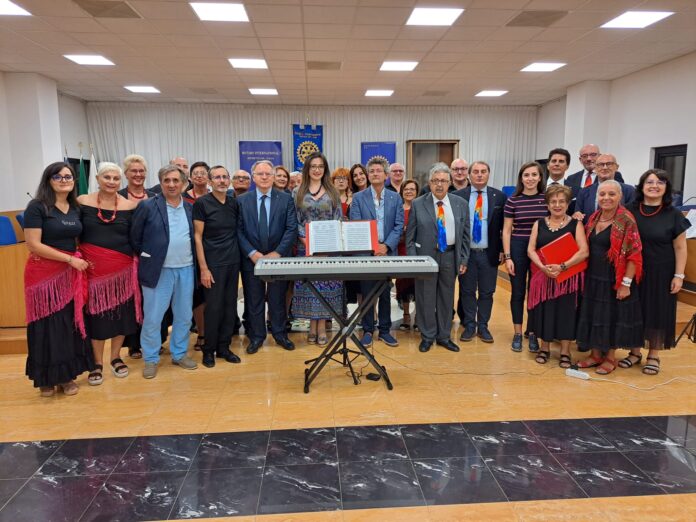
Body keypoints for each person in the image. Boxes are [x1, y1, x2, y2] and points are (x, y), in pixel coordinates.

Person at [23, 162, 93, 397]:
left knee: (65, 325)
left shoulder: (75, 208)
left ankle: (65, 376)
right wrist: (69, 259)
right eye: (58, 176)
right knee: (45, 326)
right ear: (48, 180)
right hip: (43, 276)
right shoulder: (37, 207)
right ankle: (45, 378)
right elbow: (33, 244)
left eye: (68, 176)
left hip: (68, 274)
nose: (64, 180)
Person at [131, 165, 199, 378]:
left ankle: (179, 354)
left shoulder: (190, 207)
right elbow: (135, 238)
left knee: (184, 316)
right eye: (167, 180)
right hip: (158, 271)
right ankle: (150, 359)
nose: (171, 184)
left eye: (175, 180)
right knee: (153, 317)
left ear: (184, 183)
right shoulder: (147, 206)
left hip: (186, 269)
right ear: (160, 183)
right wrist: (152, 257)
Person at [77, 162, 140, 386]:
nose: (112, 182)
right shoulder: (82, 201)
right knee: (97, 316)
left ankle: (115, 357)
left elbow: (135, 235)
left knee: (121, 314)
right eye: (107, 177)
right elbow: (75, 233)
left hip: (122, 270)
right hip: (93, 269)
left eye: (115, 178)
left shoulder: (130, 206)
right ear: (97, 179)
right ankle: (97, 363)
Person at [622, 169, 690, 375]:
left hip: (662, 272)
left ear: (666, 188)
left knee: (657, 312)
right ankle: (634, 352)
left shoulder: (674, 214)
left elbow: (681, 247)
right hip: (633, 270)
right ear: (642, 186)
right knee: (634, 310)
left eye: (660, 182)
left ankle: (653, 355)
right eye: (650, 182)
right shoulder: (629, 210)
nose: (654, 186)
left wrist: (679, 275)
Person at [576, 180, 643, 375]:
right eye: (602, 194)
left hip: (614, 278)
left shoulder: (626, 220)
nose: (606, 198)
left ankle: (610, 358)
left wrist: (626, 284)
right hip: (592, 276)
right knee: (593, 314)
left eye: (611, 194)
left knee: (612, 317)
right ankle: (595, 355)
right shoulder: (594, 217)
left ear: (620, 196)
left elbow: (634, 255)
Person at [407, 162, 470, 353]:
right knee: (425, 297)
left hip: (450, 256)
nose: (439, 184)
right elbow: (410, 237)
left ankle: (444, 336)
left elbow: (465, 235)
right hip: (425, 258)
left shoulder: (461, 204)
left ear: (450, 182)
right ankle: (427, 335)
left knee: (446, 297)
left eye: (443, 180)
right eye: (435, 181)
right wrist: (414, 261)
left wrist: (463, 259)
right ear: (429, 183)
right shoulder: (418, 204)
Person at [238, 160, 297, 354]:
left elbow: (291, 228)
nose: (264, 177)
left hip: (278, 258)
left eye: (268, 174)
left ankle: (280, 334)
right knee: (253, 299)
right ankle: (256, 337)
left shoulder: (286, 199)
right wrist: (252, 253)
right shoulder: (241, 200)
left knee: (277, 298)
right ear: (253, 177)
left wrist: (277, 253)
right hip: (251, 259)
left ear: (273, 177)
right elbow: (238, 230)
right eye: (260, 174)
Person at [526, 185, 588, 368]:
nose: (557, 205)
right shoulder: (539, 223)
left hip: (567, 279)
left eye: (562, 201)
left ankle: (565, 351)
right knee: (545, 311)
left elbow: (584, 251)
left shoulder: (576, 224)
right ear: (547, 204)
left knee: (566, 313)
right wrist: (542, 267)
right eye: (553, 201)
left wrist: (562, 267)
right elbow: (530, 249)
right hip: (543, 276)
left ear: (568, 204)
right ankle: (544, 348)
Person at [350, 158, 404, 347]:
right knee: (367, 293)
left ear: (386, 175)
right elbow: (356, 225)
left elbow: (398, 225)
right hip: (366, 253)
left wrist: (386, 246)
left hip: (387, 253)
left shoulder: (395, 198)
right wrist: (374, 246)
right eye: (371, 171)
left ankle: (384, 330)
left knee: (385, 292)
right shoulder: (358, 198)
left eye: (378, 171)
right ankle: (367, 330)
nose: (374, 174)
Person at [193, 165, 242, 368]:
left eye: (224, 177)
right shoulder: (202, 203)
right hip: (212, 264)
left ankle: (224, 348)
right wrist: (203, 268)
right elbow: (197, 237)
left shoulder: (233, 203)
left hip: (233, 262)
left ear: (229, 180)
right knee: (213, 308)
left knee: (230, 307)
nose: (221, 180)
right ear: (210, 181)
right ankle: (209, 350)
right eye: (217, 177)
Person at [453, 161, 507, 343]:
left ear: (488, 174)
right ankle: (469, 325)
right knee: (467, 291)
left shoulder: (499, 197)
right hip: (466, 254)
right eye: (475, 171)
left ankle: (483, 326)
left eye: (483, 171)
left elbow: (504, 227)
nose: (479, 175)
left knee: (487, 292)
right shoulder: (457, 196)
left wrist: (502, 249)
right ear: (469, 175)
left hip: (488, 253)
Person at [293, 153, 343, 345]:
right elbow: (295, 220)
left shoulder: (333, 192)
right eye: (313, 166)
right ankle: (311, 326)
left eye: (320, 166)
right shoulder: (297, 191)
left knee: (325, 288)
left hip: (328, 249)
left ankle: (321, 327)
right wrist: (305, 240)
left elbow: (338, 219)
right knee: (311, 287)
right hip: (305, 248)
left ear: (325, 169)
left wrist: (326, 245)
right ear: (307, 169)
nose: (316, 169)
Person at [502, 161, 548, 353]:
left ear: (540, 177)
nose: (530, 178)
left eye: (534, 175)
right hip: (518, 247)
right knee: (518, 292)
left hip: (541, 249)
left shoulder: (547, 199)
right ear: (521, 178)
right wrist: (508, 257)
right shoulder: (513, 200)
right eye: (526, 175)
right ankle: (518, 333)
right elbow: (506, 231)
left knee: (536, 292)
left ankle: (533, 332)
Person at [183, 161, 210, 351]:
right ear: (190, 177)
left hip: (215, 251)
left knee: (213, 295)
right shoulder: (183, 199)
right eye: (196, 173)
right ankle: (201, 332)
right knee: (197, 296)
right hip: (190, 252)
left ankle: (215, 330)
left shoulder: (216, 196)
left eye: (203, 173)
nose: (199, 175)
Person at [573, 154, 634, 224]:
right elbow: (578, 215)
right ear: (595, 168)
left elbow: (631, 218)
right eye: (600, 165)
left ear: (617, 167)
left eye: (609, 164)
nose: (605, 167)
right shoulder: (584, 192)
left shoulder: (629, 191)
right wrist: (577, 215)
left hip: (619, 230)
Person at [396, 179, 419, 331]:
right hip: (400, 250)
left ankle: (417, 316)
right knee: (402, 283)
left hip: (417, 250)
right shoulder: (398, 209)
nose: (409, 191)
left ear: (417, 192)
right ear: (402, 191)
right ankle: (405, 315)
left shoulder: (421, 208)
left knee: (417, 283)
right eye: (406, 189)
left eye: (412, 189)